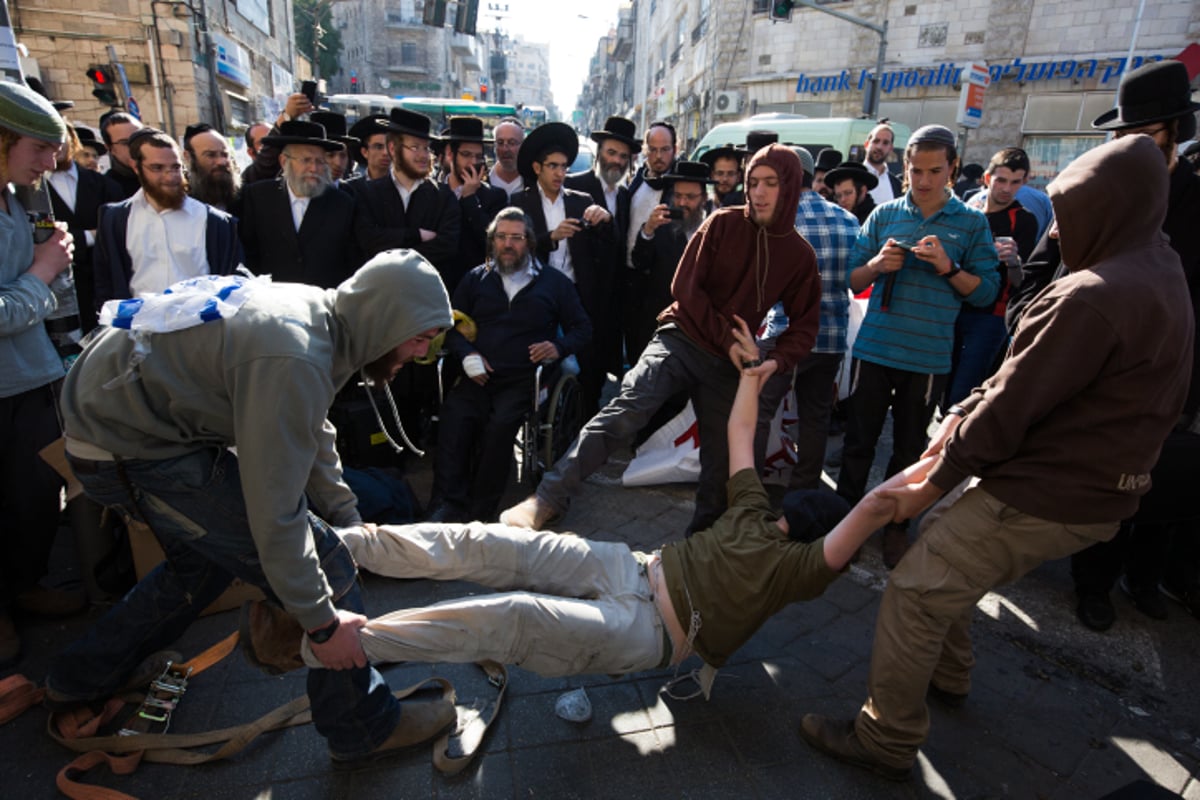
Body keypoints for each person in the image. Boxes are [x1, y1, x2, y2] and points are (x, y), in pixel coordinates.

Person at [800, 133, 1194, 782]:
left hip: (1047, 490)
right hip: (1086, 483)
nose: (1058, 228)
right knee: (950, 554)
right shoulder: (1161, 264)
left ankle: (885, 736)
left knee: (917, 588)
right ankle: (949, 673)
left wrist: (931, 481)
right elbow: (1022, 383)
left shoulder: (1093, 294)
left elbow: (1011, 404)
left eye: (1074, 212)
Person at [287, 318, 931, 687]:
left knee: (514, 617)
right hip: (631, 566)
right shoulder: (751, 513)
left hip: (652, 633)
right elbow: (740, 434)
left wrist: (929, 470)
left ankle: (344, 644)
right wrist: (751, 378)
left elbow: (869, 509)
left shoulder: (798, 571)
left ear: (801, 538)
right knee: (491, 542)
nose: (780, 516)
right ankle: (333, 545)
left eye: (792, 520)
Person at [45, 251, 459, 762]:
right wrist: (324, 626)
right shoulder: (294, 355)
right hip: (123, 446)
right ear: (383, 320)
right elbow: (276, 513)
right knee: (327, 563)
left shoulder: (323, 317)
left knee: (197, 569)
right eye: (420, 337)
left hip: (125, 424)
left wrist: (348, 516)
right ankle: (362, 725)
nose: (421, 354)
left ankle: (75, 679)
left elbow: (311, 427)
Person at [501, 144, 820, 535]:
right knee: (626, 411)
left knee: (728, 461)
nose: (759, 192)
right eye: (753, 182)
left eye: (771, 183)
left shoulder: (800, 255)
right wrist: (728, 337)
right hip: (681, 338)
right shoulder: (722, 223)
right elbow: (684, 287)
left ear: (789, 186)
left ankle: (700, 555)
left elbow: (805, 326)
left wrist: (774, 360)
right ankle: (547, 498)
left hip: (728, 363)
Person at [1067, 59, 1200, 630]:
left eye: (1142, 139)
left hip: (1178, 371)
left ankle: (1145, 579)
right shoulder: (1106, 192)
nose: (1129, 151)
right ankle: (1093, 583)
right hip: (1111, 374)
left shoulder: (1195, 198)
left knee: (1164, 481)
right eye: (1123, 139)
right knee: (1108, 483)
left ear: (1175, 136)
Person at [835, 124, 999, 569]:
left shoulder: (971, 223)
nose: (923, 181)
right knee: (857, 444)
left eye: (934, 171)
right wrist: (876, 264)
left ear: (953, 169)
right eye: (915, 170)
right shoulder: (885, 214)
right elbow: (850, 279)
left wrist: (948, 268)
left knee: (909, 453)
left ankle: (895, 528)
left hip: (928, 358)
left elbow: (986, 293)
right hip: (874, 349)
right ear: (904, 168)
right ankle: (842, 523)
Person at [429, 207, 592, 522]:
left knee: (499, 427)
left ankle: (480, 509)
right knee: (454, 419)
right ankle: (445, 502)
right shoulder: (475, 279)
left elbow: (583, 329)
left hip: (525, 379)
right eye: (501, 237)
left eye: (515, 238)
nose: (508, 244)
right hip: (479, 376)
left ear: (529, 242)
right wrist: (466, 354)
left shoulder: (554, 283)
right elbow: (447, 326)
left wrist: (557, 346)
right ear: (492, 241)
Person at [0, 81, 77, 666]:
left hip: (34, 377)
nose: (52, 161)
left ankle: (23, 584)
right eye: (39, 147)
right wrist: (43, 273)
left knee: (34, 497)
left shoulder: (18, 198)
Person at [755, 147, 860, 490]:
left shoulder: (780, 220)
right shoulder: (848, 219)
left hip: (785, 337)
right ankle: (803, 493)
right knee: (815, 419)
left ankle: (748, 487)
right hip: (830, 338)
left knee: (758, 412)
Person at [508, 122, 615, 416]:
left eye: (564, 166)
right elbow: (512, 250)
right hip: (537, 296)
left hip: (577, 295)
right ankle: (543, 427)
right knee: (542, 364)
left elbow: (605, 247)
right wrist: (550, 238)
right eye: (552, 166)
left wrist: (605, 219)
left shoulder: (581, 201)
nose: (559, 173)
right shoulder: (520, 203)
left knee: (586, 363)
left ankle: (583, 422)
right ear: (537, 167)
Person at [93, 129, 241, 306]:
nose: (170, 177)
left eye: (175, 167)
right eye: (157, 168)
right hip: (139, 329)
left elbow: (233, 285)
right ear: (136, 167)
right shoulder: (115, 219)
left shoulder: (216, 223)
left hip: (201, 329)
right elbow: (105, 283)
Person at [947, 147, 1039, 407]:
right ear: (987, 179)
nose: (1007, 188)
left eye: (1015, 182)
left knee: (964, 393)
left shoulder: (1023, 220)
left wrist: (1013, 261)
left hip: (991, 315)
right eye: (1001, 180)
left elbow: (1024, 281)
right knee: (941, 387)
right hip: (953, 307)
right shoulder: (968, 210)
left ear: (1025, 182)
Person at [238, 120, 361, 288]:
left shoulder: (342, 203)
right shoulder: (257, 197)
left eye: (319, 161)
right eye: (306, 160)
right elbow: (248, 254)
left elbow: (350, 264)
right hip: (270, 303)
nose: (314, 168)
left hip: (322, 305)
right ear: (283, 161)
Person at [352, 107, 461, 283]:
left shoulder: (442, 196)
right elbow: (369, 240)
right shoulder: (367, 193)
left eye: (426, 148)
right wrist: (416, 235)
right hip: (379, 292)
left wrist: (394, 254)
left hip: (424, 294)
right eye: (415, 147)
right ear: (393, 148)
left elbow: (446, 246)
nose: (423, 155)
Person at [628, 160, 711, 362]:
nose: (682, 203)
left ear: (704, 198)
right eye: (678, 196)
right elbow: (640, 262)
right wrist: (648, 230)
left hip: (700, 330)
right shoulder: (662, 227)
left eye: (690, 197)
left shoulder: (715, 230)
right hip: (661, 326)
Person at [46, 125, 123, 333]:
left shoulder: (104, 186)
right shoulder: (28, 191)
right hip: (54, 300)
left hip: (101, 293)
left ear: (72, 140)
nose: (55, 144)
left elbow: (118, 235)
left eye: (60, 136)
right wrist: (89, 235)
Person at [442, 116, 508, 295]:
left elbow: (491, 242)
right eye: (466, 155)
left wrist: (470, 198)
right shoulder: (432, 192)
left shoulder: (495, 196)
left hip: (476, 290)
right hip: (438, 288)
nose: (472, 162)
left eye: (478, 156)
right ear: (450, 154)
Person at [183, 123, 240, 211]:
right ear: (188, 157)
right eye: (211, 155)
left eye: (224, 155)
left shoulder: (244, 200)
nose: (221, 162)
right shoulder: (180, 204)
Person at [97, 111, 144, 198]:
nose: (135, 146)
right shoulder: (104, 189)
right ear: (109, 148)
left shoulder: (165, 177)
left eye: (139, 139)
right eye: (125, 143)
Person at [309, 111, 358, 183]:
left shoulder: (354, 192)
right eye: (330, 155)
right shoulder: (295, 193)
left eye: (343, 155)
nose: (338, 163)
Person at [862, 122, 902, 204]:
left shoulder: (896, 184)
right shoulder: (854, 176)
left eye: (885, 143)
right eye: (876, 141)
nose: (879, 147)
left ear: (891, 148)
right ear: (866, 144)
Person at [489, 117, 525, 197]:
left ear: (523, 146)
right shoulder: (484, 181)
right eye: (500, 143)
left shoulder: (533, 182)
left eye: (512, 143)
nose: (505, 149)